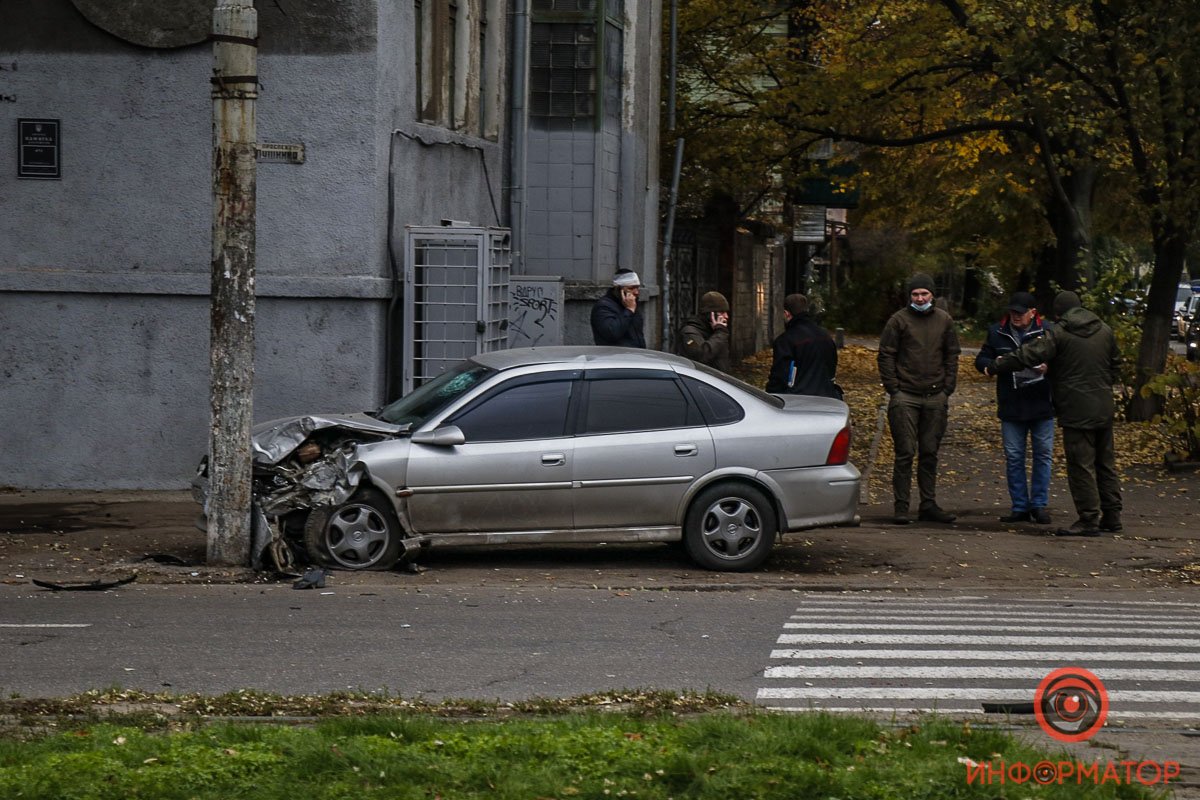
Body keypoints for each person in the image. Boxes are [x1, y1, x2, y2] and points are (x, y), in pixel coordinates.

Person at [989, 290, 1122, 537]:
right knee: (1105, 463)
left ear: (1058, 313)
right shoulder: (1105, 330)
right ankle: (1112, 515)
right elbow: (1116, 365)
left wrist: (997, 365)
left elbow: (1029, 354)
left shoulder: (1059, 333)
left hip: (1075, 407)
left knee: (1081, 465)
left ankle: (1089, 519)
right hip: (1103, 406)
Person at [878, 273, 962, 525]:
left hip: (935, 395)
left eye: (924, 293)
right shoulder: (898, 320)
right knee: (904, 452)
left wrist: (947, 388)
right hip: (905, 396)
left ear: (932, 295)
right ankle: (901, 506)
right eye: (915, 294)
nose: (920, 298)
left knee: (929, 452)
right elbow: (886, 354)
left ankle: (928, 504)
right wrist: (893, 388)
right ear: (910, 296)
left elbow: (952, 355)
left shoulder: (944, 320)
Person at [975, 291, 1055, 525]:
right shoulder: (997, 332)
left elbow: (1063, 360)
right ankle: (1019, 506)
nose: (1016, 316)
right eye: (1012, 312)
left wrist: (1048, 367)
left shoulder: (1047, 331)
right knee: (1014, 457)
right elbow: (982, 359)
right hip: (1011, 404)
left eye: (1020, 312)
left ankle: (1038, 504)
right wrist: (992, 365)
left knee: (1043, 455)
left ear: (1033, 313)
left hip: (1041, 403)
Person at [764, 293, 841, 398]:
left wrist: (770, 396)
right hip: (828, 398)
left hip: (799, 400)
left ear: (786, 313)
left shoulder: (786, 341)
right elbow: (831, 369)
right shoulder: (826, 337)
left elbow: (780, 376)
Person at [676, 291, 731, 372]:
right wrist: (720, 333)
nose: (726, 316)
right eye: (722, 312)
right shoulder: (689, 332)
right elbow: (701, 355)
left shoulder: (715, 331)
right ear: (711, 314)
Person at [591, 269, 646, 348]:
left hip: (635, 354)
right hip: (616, 354)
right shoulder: (603, 307)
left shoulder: (631, 304)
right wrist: (629, 310)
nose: (636, 292)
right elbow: (611, 333)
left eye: (637, 288)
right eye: (631, 288)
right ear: (618, 289)